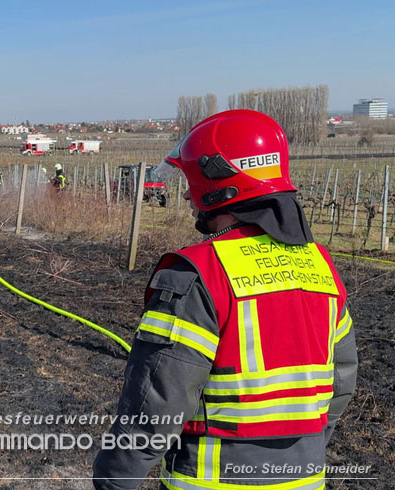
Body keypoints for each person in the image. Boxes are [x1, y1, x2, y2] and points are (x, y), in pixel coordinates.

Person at [93, 110, 357, 490]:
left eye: (192, 180)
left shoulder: (198, 274)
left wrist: (114, 480)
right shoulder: (321, 267)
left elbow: (156, 404)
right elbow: (342, 379)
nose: (185, 193)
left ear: (220, 185)